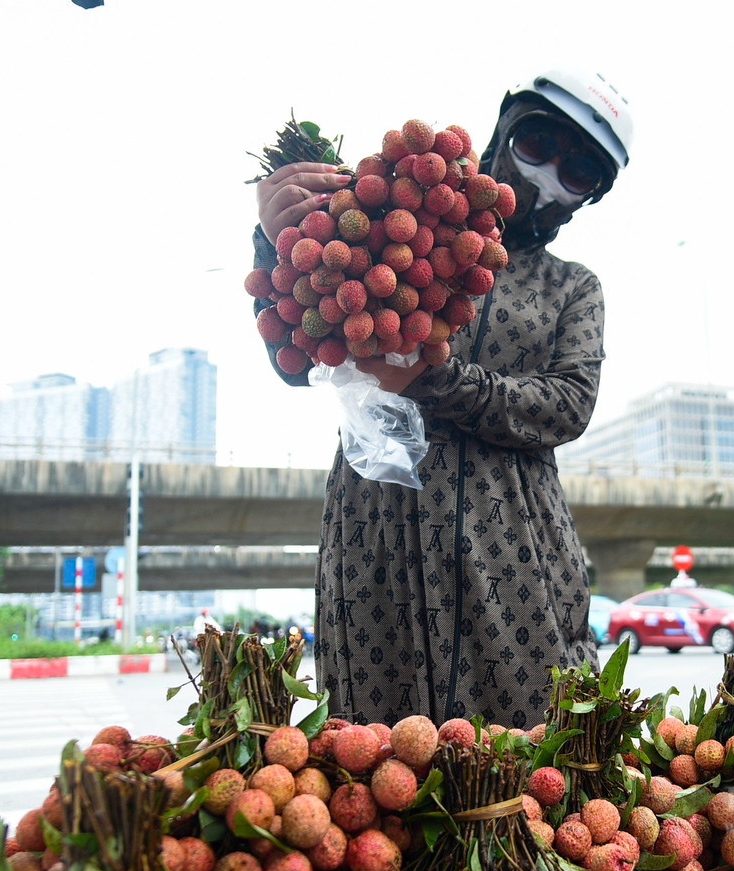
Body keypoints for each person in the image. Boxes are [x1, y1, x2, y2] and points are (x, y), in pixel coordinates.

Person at [251, 69, 633, 727]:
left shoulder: (572, 287)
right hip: (375, 526)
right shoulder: (382, 227)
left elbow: (569, 402)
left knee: (526, 759)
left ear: (587, 199)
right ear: (506, 127)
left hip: (508, 545)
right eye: (538, 142)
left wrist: (433, 379)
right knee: (373, 756)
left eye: (577, 172)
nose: (545, 176)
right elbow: (295, 359)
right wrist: (279, 238)